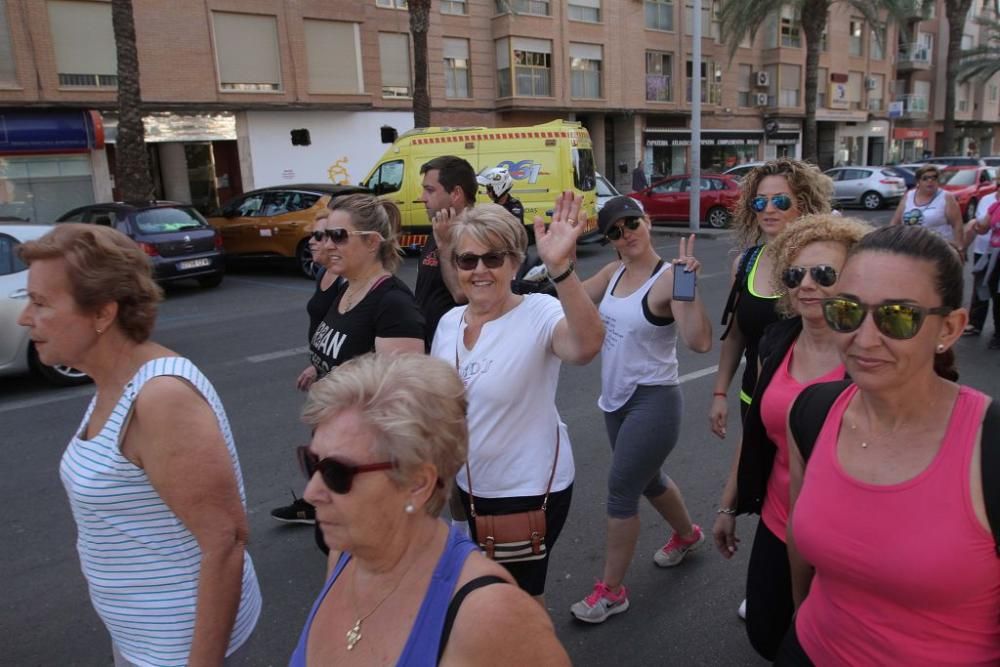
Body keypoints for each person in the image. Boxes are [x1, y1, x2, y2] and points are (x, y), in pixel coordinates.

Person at [17, 224, 261, 666]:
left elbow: (225, 541)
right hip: (139, 635)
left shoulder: (160, 398)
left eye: (40, 303)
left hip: (176, 647)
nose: (25, 318)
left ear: (102, 314)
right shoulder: (112, 380)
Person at [778, 225, 1000, 665]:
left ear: (950, 328)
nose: (864, 339)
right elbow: (798, 542)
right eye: (847, 311)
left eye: (898, 316)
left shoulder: (989, 446)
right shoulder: (814, 412)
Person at [289, 353, 570, 666]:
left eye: (336, 473)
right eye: (311, 463)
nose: (311, 493)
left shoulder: (490, 617)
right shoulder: (346, 553)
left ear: (418, 483)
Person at [430, 193, 604, 603]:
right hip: (470, 486)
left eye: (493, 258)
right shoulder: (449, 322)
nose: (480, 270)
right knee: (481, 593)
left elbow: (586, 346)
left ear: (514, 262)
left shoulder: (538, 312)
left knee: (513, 601)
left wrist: (561, 270)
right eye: (467, 260)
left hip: (525, 489)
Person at [712, 214, 871, 659]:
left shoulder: (871, 353)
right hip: (780, 520)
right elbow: (759, 431)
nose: (807, 284)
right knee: (766, 632)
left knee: (824, 648)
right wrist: (730, 501)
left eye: (824, 274)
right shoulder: (777, 341)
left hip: (848, 537)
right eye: (794, 274)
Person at [568, 196, 713, 624]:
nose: (625, 234)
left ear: (646, 222)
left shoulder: (668, 279)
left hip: (654, 401)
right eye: (614, 230)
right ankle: (688, 535)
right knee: (650, 480)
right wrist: (559, 260)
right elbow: (570, 297)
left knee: (621, 490)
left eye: (631, 223)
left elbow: (700, 342)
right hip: (615, 401)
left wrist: (688, 286)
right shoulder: (612, 273)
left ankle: (611, 592)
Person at [272, 193, 425, 531]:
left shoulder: (393, 304)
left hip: (366, 464)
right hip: (335, 449)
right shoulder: (349, 288)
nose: (327, 244)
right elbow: (346, 352)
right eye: (325, 235)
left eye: (338, 235)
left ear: (372, 242)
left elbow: (401, 403)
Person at [710, 159, 834, 437]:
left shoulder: (825, 264)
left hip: (806, 405)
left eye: (780, 201)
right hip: (752, 399)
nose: (768, 209)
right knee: (752, 478)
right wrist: (720, 393)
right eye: (759, 202)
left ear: (804, 203)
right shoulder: (745, 263)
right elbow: (735, 336)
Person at [273, 208, 348, 525]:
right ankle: (318, 500)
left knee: (332, 444)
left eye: (323, 235)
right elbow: (325, 328)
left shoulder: (346, 281)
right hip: (323, 374)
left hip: (339, 381)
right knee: (321, 440)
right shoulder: (323, 275)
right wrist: (314, 365)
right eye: (317, 235)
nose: (316, 242)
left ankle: (328, 504)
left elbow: (348, 333)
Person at [416, 155, 477, 349]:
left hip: (456, 349)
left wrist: (444, 247)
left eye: (430, 190)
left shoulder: (475, 234)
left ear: (456, 193)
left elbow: (461, 294)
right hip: (430, 345)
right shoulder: (440, 227)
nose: (422, 198)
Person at [889, 163, 965, 256]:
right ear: (918, 181)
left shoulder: (946, 197)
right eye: (925, 178)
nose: (930, 181)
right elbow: (895, 223)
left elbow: (957, 225)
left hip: (938, 249)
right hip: (911, 248)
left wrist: (959, 248)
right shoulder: (909, 195)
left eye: (934, 178)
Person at [964, 172, 1000, 347]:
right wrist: (973, 227)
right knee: (981, 288)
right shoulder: (990, 202)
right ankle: (975, 323)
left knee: (998, 293)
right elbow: (982, 226)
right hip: (986, 252)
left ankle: (998, 334)